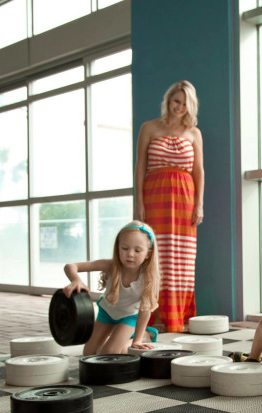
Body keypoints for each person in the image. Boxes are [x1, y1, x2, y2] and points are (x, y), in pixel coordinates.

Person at [134, 80, 204, 333]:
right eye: (176, 101)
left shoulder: (194, 133)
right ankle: (150, 313)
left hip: (184, 200)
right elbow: (140, 166)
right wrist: (138, 203)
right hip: (155, 197)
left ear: (191, 106)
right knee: (155, 254)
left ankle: (176, 314)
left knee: (181, 259)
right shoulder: (149, 127)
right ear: (168, 101)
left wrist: (199, 205)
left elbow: (198, 171)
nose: (180, 107)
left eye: (185, 103)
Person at [62, 221, 160, 355]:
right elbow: (70, 266)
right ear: (118, 248)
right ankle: (125, 337)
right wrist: (76, 280)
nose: (130, 254)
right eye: (125, 248)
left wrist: (137, 341)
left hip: (129, 316)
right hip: (107, 313)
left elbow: (145, 310)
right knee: (88, 353)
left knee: (111, 353)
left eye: (137, 250)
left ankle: (144, 335)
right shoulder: (110, 266)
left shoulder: (148, 277)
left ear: (148, 254)